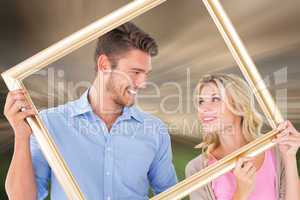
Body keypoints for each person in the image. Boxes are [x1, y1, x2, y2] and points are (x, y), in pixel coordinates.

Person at [4, 22, 177, 200]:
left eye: (145, 73)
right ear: (104, 65)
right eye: (135, 72)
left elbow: (171, 194)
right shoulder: (49, 123)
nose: (143, 83)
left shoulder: (155, 130)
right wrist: (21, 136)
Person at [185, 74, 300, 200]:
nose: (204, 109)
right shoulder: (197, 169)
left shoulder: (275, 149)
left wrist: (289, 157)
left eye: (215, 99)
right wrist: (241, 193)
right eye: (201, 101)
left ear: (239, 105)